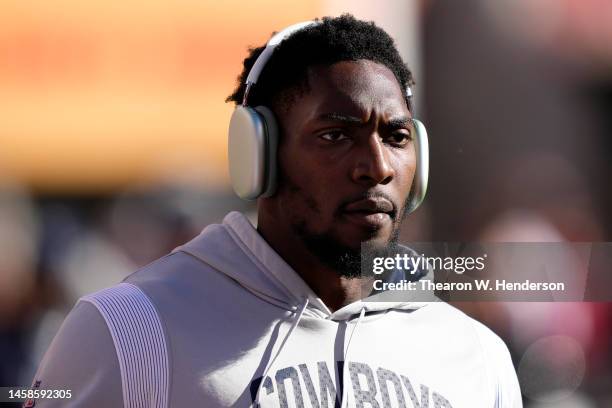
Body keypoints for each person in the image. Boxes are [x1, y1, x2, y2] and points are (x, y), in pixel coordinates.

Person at [29, 15, 522, 407]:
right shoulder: (126, 329)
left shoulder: (477, 356)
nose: (375, 167)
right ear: (258, 153)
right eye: (335, 135)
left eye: (396, 138)